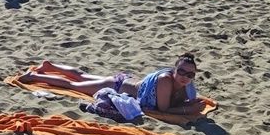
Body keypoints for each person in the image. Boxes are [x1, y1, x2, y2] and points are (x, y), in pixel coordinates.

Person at [16, 55, 209, 124]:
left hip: (125, 79)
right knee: (74, 84)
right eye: (182, 72)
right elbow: (163, 110)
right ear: (174, 70)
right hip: (117, 85)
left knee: (81, 75)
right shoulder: (166, 81)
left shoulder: (186, 84)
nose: (185, 77)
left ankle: (50, 66)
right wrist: (187, 110)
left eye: (190, 74)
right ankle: (34, 76)